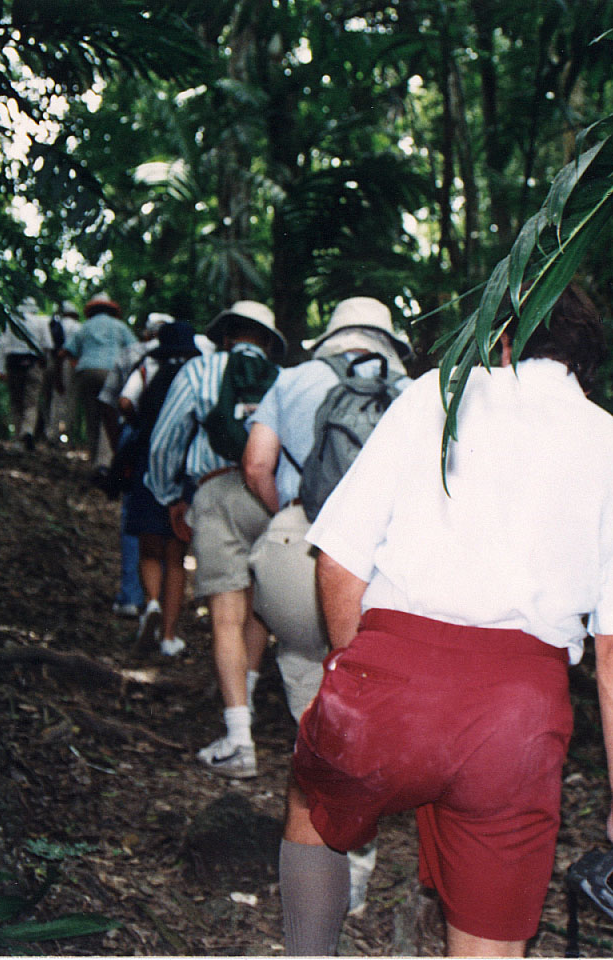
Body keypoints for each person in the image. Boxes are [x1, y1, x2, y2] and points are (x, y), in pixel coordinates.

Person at [279, 283, 613, 957]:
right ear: (587, 357)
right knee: (493, 934)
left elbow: (338, 560)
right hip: (517, 721)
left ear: (504, 337)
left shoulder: (437, 395)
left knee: (311, 810)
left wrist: (358, 670)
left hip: (392, 676)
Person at [242, 295, 410, 916]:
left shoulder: (290, 379)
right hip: (379, 572)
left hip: (297, 551)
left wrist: (289, 514)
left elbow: (256, 464)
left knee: (313, 695)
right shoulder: (417, 390)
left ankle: (318, 846)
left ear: (331, 336)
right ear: (388, 340)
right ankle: (358, 862)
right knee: (368, 709)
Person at [144, 300, 284, 776]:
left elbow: (165, 439)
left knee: (226, 615)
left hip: (217, 490)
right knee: (260, 608)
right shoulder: (284, 380)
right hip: (273, 497)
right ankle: (248, 696)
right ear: (267, 341)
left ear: (226, 336)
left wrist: (168, 495)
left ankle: (239, 738)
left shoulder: (201, 370)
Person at [117, 321, 205, 654]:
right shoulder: (197, 371)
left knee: (149, 548)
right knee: (175, 555)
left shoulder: (148, 366)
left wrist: (142, 422)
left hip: (146, 462)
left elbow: (125, 402)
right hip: (185, 468)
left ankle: (151, 604)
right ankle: (168, 636)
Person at [99, 312, 175, 618]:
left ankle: (131, 596)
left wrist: (122, 439)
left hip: (141, 441)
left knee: (134, 519)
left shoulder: (132, 354)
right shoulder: (189, 362)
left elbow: (116, 400)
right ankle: (167, 605)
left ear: (146, 334)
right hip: (174, 444)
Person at [61, 292, 137, 477]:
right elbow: (134, 349)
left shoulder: (85, 327)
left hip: (87, 372)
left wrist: (77, 365)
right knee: (109, 414)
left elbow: (66, 351)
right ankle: (104, 463)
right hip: (112, 371)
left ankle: (94, 460)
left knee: (92, 415)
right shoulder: (120, 326)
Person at [0, 298, 51, 449]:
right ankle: (27, 431)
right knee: (31, 402)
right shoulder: (41, 321)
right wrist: (43, 363)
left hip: (13, 363)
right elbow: (47, 345)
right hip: (32, 363)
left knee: (16, 402)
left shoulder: (13, 321)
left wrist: (1, 370)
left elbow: (3, 345)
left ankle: (19, 437)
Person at [43, 300, 83, 445]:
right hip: (71, 364)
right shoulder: (79, 327)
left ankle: (52, 433)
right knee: (69, 401)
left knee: (55, 399)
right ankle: (64, 434)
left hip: (53, 364)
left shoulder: (54, 326)